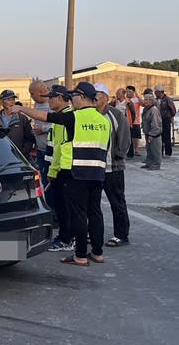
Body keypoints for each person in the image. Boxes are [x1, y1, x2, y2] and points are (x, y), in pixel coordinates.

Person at [12, 82, 110, 266]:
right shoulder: (104, 121)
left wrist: (21, 108)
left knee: (79, 215)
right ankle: (98, 253)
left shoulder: (75, 117)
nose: (71, 99)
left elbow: (43, 116)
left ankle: (80, 256)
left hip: (77, 173)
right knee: (95, 212)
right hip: (98, 173)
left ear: (81, 97)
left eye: (73, 96)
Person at [95, 83, 131, 247]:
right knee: (93, 203)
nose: (95, 97)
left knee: (117, 201)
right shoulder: (90, 115)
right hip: (94, 167)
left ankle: (121, 235)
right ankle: (94, 233)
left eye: (98, 94)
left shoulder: (115, 115)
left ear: (106, 97)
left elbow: (124, 139)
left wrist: (118, 155)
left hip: (113, 167)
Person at [43, 85, 73, 251]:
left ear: (60, 98)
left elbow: (60, 149)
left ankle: (66, 239)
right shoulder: (61, 117)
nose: (49, 100)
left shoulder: (64, 118)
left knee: (64, 207)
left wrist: (52, 172)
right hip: (60, 168)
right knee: (63, 206)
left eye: (51, 97)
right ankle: (67, 236)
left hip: (63, 170)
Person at [28, 80, 53, 205]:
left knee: (52, 182)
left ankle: (56, 211)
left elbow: (60, 124)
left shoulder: (53, 104)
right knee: (44, 182)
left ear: (41, 92)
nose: (31, 97)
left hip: (52, 152)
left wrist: (43, 129)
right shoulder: (37, 105)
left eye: (32, 94)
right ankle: (49, 207)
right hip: (40, 150)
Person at [0, 90, 35, 158]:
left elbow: (29, 138)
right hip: (0, 157)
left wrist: (23, 153)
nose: (12, 102)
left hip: (19, 158)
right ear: (1, 102)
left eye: (13, 99)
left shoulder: (22, 119)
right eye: (8, 99)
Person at [140, 92, 162, 170]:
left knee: (155, 149)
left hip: (154, 134)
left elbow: (155, 123)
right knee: (149, 149)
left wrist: (152, 134)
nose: (145, 101)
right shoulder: (146, 109)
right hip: (147, 132)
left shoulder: (153, 110)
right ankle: (149, 163)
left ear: (151, 101)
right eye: (144, 99)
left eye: (146, 100)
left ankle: (156, 164)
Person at [154, 85, 176, 156]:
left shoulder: (168, 99)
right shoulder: (155, 100)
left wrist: (169, 116)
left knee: (166, 136)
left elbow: (173, 110)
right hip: (158, 120)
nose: (156, 94)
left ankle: (168, 152)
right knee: (159, 136)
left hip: (166, 119)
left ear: (161, 92)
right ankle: (160, 152)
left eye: (157, 92)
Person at [125, 85, 142, 158]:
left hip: (136, 120)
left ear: (133, 92)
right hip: (128, 121)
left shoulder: (136, 99)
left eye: (130, 91)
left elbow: (143, 103)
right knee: (128, 137)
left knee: (136, 136)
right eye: (127, 91)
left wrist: (138, 95)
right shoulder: (125, 99)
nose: (128, 93)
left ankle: (136, 150)